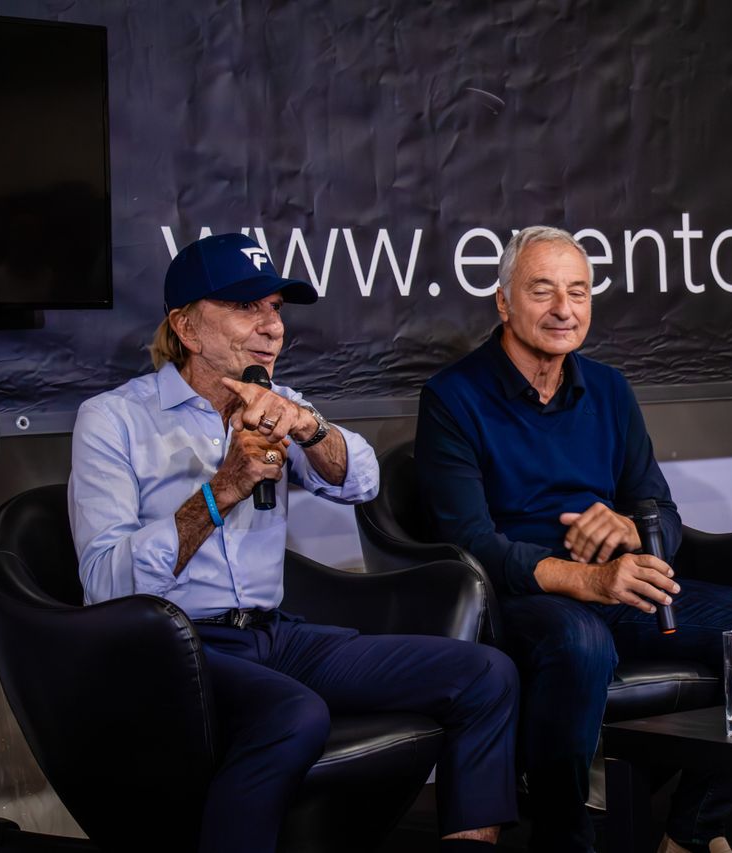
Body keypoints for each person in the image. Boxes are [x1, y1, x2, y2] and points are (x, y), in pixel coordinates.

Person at [69, 233, 518, 853]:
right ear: (186, 327)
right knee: (294, 714)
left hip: (275, 636)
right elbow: (105, 583)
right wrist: (223, 489)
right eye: (245, 307)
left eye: (276, 308)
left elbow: (362, 480)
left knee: (486, 674)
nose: (272, 327)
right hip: (174, 649)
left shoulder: (281, 405)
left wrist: (309, 427)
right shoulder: (113, 419)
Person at [416, 226, 732, 853]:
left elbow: (662, 512)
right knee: (580, 642)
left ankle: (692, 831)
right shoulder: (453, 397)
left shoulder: (609, 388)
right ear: (504, 302)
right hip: (522, 596)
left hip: (617, 586)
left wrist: (631, 528)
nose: (563, 310)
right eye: (542, 291)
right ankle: (564, 838)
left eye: (578, 292)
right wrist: (586, 580)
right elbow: (468, 543)